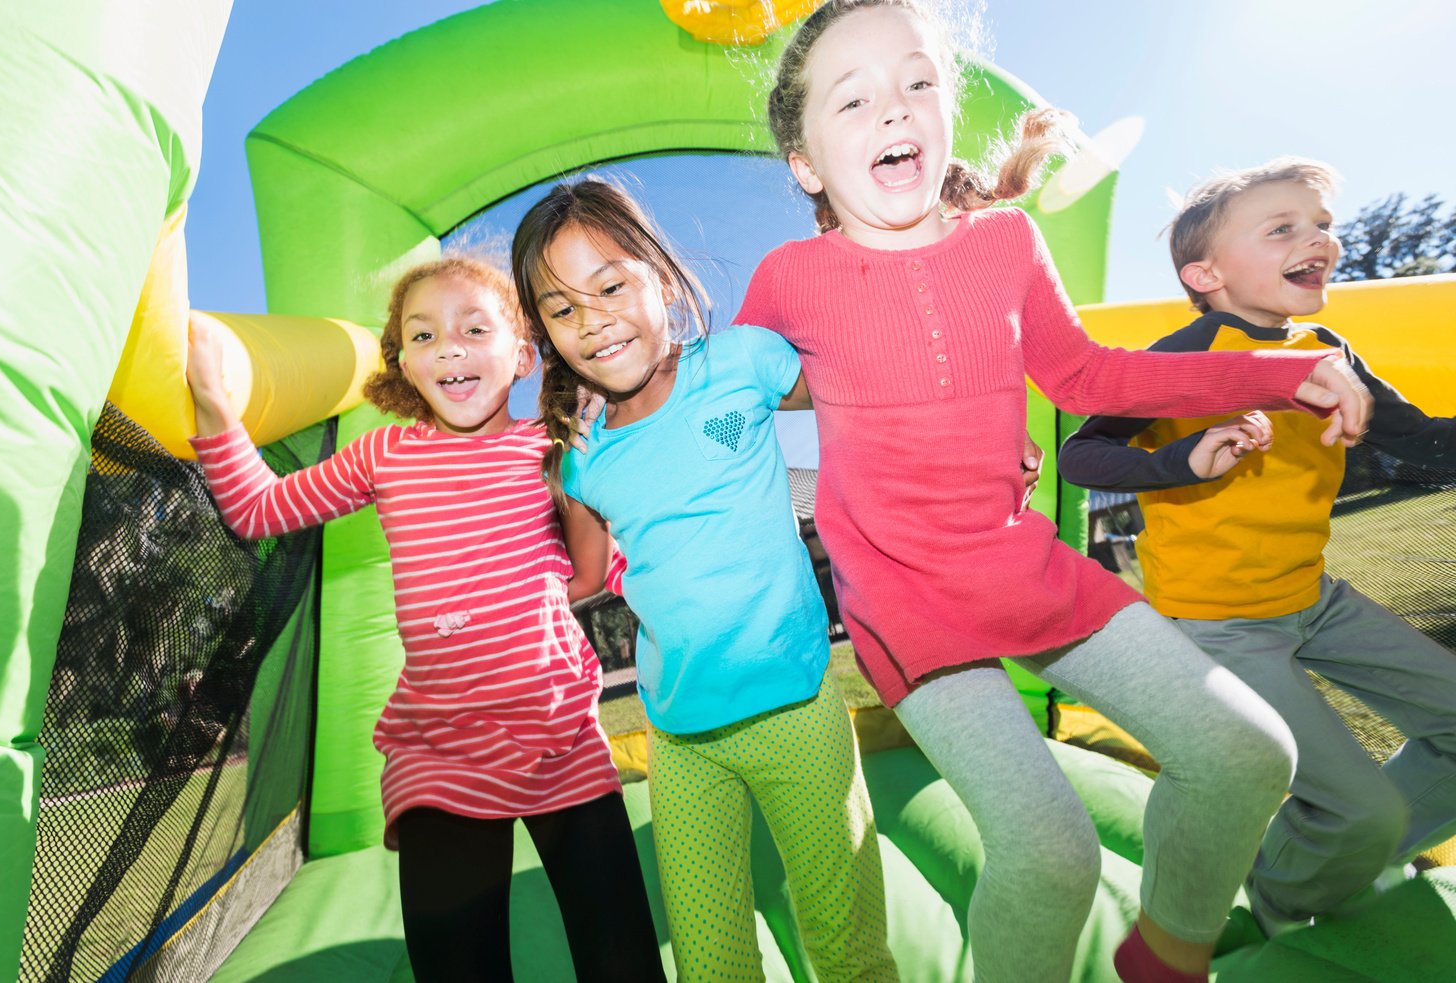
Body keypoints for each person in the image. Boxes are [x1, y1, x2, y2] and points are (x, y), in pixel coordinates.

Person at [738, 3, 1375, 981]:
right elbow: (724, 399)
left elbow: (1091, 378)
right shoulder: (788, 278)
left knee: (1248, 754)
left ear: (945, 107)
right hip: (906, 604)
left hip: (1017, 561)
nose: (893, 110)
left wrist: (1277, 373)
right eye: (852, 98)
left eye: (916, 83)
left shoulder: (1002, 245)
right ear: (806, 163)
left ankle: (1162, 956)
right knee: (1051, 852)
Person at [185, 257, 664, 983]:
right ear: (403, 362)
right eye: (424, 334)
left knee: (622, 960)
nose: (450, 347)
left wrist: (589, 474)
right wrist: (218, 411)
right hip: (442, 753)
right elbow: (261, 509)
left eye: (475, 328)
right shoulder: (385, 455)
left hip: (560, 735)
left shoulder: (548, 448)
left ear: (523, 352)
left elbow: (595, 573)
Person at [511, 178, 900, 982]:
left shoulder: (740, 363)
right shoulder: (585, 460)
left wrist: (975, 453)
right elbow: (580, 573)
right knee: (711, 964)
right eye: (562, 308)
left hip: (797, 712)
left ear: (659, 273)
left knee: (847, 946)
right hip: (682, 743)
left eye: (610, 285)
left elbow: (867, 391)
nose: (592, 321)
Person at [1057, 156, 1456, 937]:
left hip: (1314, 597)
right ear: (1206, 273)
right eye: (1283, 229)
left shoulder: (1328, 347)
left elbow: (1420, 439)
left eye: (1323, 226)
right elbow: (1082, 455)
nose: (1319, 241)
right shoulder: (1182, 354)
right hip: (1219, 625)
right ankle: (1277, 903)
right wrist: (1177, 459)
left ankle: (1340, 861)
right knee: (1360, 804)